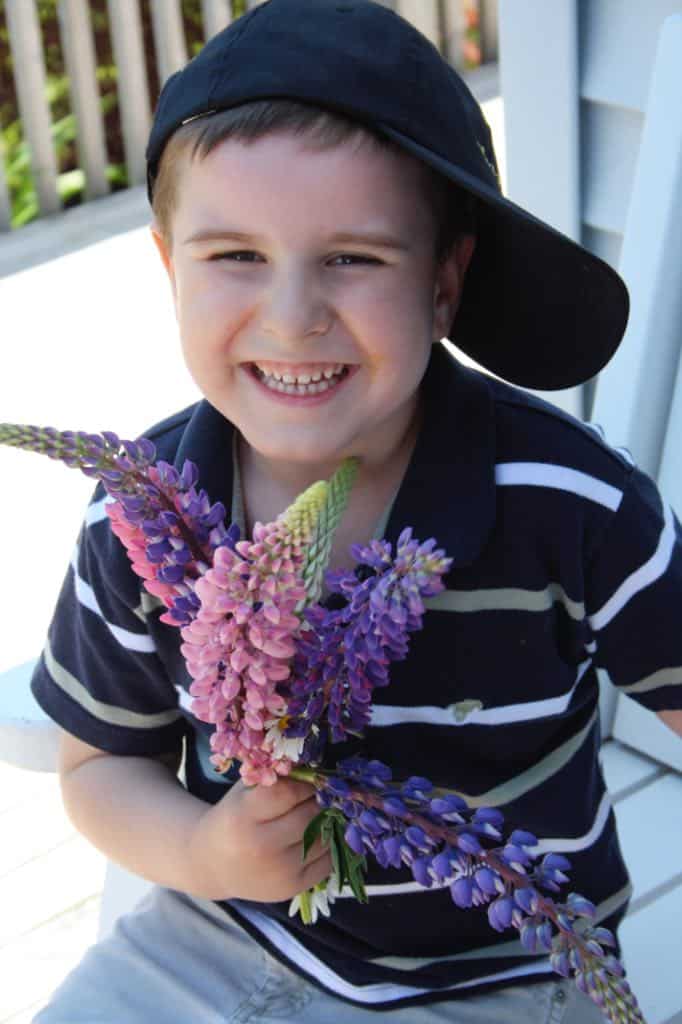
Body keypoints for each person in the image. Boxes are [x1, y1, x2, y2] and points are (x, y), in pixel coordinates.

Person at [30, 1, 682, 1021]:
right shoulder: (143, 513)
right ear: (169, 268)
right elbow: (98, 766)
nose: (293, 316)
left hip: (508, 959)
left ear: (442, 282)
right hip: (221, 929)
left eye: (354, 258)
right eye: (234, 254)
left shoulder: (570, 506)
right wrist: (206, 850)